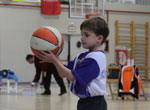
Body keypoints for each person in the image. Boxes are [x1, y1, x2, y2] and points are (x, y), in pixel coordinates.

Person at [37, 17, 109, 110]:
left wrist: (54, 60)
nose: (82, 38)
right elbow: (63, 73)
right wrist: (56, 57)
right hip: (83, 102)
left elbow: (71, 76)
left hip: (95, 104)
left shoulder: (96, 58)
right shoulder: (82, 56)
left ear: (99, 38)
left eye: (86, 35)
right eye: (82, 34)